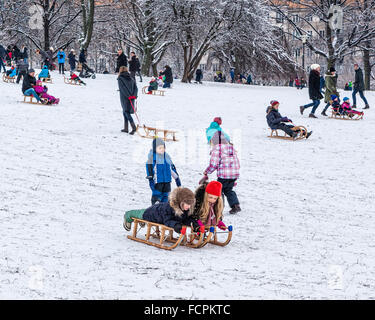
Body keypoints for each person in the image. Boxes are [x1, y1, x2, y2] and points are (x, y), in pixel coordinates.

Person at [123, 187, 199, 233]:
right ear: (181, 202)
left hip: (159, 211)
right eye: (187, 204)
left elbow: (185, 219)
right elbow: (167, 221)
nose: (189, 206)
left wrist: (194, 223)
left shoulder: (186, 209)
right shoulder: (169, 209)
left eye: (190, 204)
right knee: (140, 214)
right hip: (152, 213)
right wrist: (175, 225)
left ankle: (141, 221)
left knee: (142, 213)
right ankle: (128, 215)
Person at [201, 131, 241, 214]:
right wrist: (235, 172)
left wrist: (207, 171)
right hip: (234, 174)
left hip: (224, 175)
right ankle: (235, 205)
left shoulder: (217, 149)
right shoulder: (231, 148)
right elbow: (236, 161)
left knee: (219, 191)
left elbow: (213, 164)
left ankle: (219, 208)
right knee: (229, 190)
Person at [146, 138, 181, 205]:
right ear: (155, 148)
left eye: (163, 147)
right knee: (157, 199)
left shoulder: (167, 157)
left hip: (167, 183)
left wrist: (177, 178)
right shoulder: (153, 157)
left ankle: (164, 211)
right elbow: (149, 168)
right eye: (160, 148)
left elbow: (171, 168)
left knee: (166, 200)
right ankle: (155, 211)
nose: (162, 149)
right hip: (158, 183)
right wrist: (150, 179)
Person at [117, 66, 138, 134]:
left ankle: (134, 127)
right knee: (125, 112)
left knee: (126, 112)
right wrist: (134, 95)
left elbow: (123, 88)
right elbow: (136, 88)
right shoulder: (131, 77)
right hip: (131, 97)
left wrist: (129, 96)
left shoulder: (120, 78)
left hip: (125, 97)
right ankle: (126, 128)